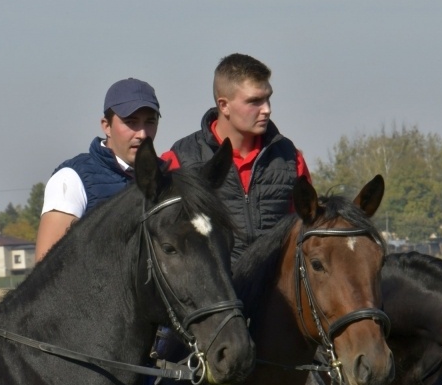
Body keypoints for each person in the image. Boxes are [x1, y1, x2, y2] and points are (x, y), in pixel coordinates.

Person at [162, 53, 311, 265]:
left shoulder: (291, 159)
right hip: (215, 293)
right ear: (224, 105)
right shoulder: (179, 160)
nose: (267, 109)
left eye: (268, 98)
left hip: (274, 293)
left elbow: (307, 234)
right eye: (254, 101)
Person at [35, 77, 160, 261]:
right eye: (131, 122)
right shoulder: (71, 179)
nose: (142, 134)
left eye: (150, 122)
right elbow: (46, 274)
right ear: (106, 126)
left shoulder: (168, 177)